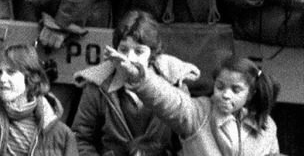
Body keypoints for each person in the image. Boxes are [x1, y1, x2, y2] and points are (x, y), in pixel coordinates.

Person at [71, 10, 202, 156]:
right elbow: (80, 138)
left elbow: (189, 139)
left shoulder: (174, 83)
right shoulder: (98, 85)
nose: (129, 58)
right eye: (123, 49)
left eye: (139, 52)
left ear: (152, 54)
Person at [108, 50, 280, 156]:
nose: (225, 95)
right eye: (220, 87)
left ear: (250, 94)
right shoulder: (199, 113)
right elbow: (169, 100)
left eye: (236, 90)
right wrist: (141, 78)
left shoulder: (267, 126)